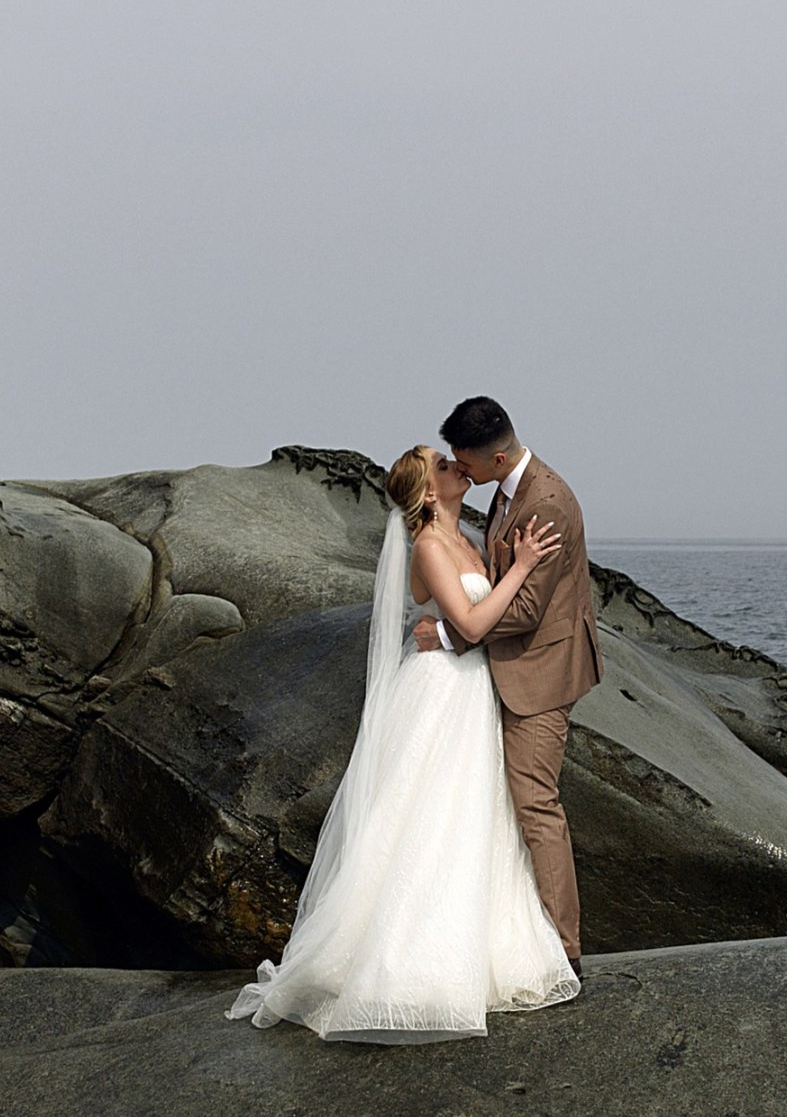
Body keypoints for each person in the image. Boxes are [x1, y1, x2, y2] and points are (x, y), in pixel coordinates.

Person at [226, 444, 579, 1040]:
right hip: (443, 690)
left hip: (472, 687)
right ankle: (411, 960)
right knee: (430, 814)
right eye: (442, 465)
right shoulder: (431, 545)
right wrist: (520, 568)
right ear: (428, 493)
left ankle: (480, 947)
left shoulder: (467, 536)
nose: (455, 466)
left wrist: (461, 616)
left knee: (472, 815)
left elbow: (459, 620)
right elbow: (473, 623)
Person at [417, 397, 600, 974]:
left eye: (464, 462)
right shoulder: (503, 489)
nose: (459, 469)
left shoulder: (546, 503)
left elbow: (524, 609)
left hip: (540, 674)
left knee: (536, 805)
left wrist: (449, 634)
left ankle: (565, 951)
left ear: (496, 458)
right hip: (506, 669)